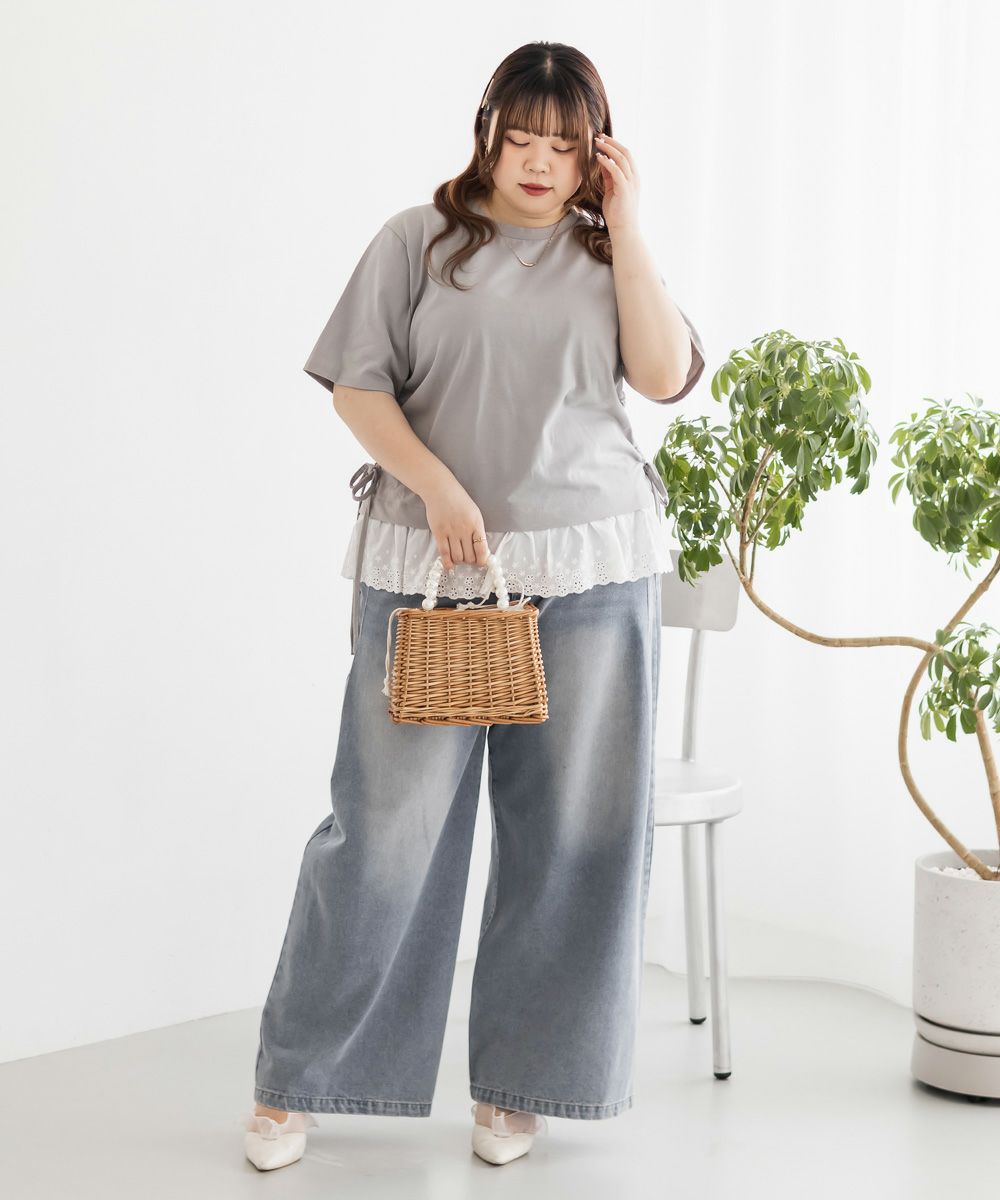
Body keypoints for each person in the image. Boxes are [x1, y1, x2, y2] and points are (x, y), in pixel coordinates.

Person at [244, 39, 705, 1172]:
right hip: (430, 571)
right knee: (381, 834)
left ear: (595, 154)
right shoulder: (417, 241)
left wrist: (630, 224)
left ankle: (522, 1085)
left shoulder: (608, 256)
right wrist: (439, 485)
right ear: (487, 131)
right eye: (523, 135)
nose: (540, 161)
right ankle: (297, 1082)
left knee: (574, 840)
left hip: (592, 566)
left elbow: (659, 377)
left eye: (566, 144)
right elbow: (358, 387)